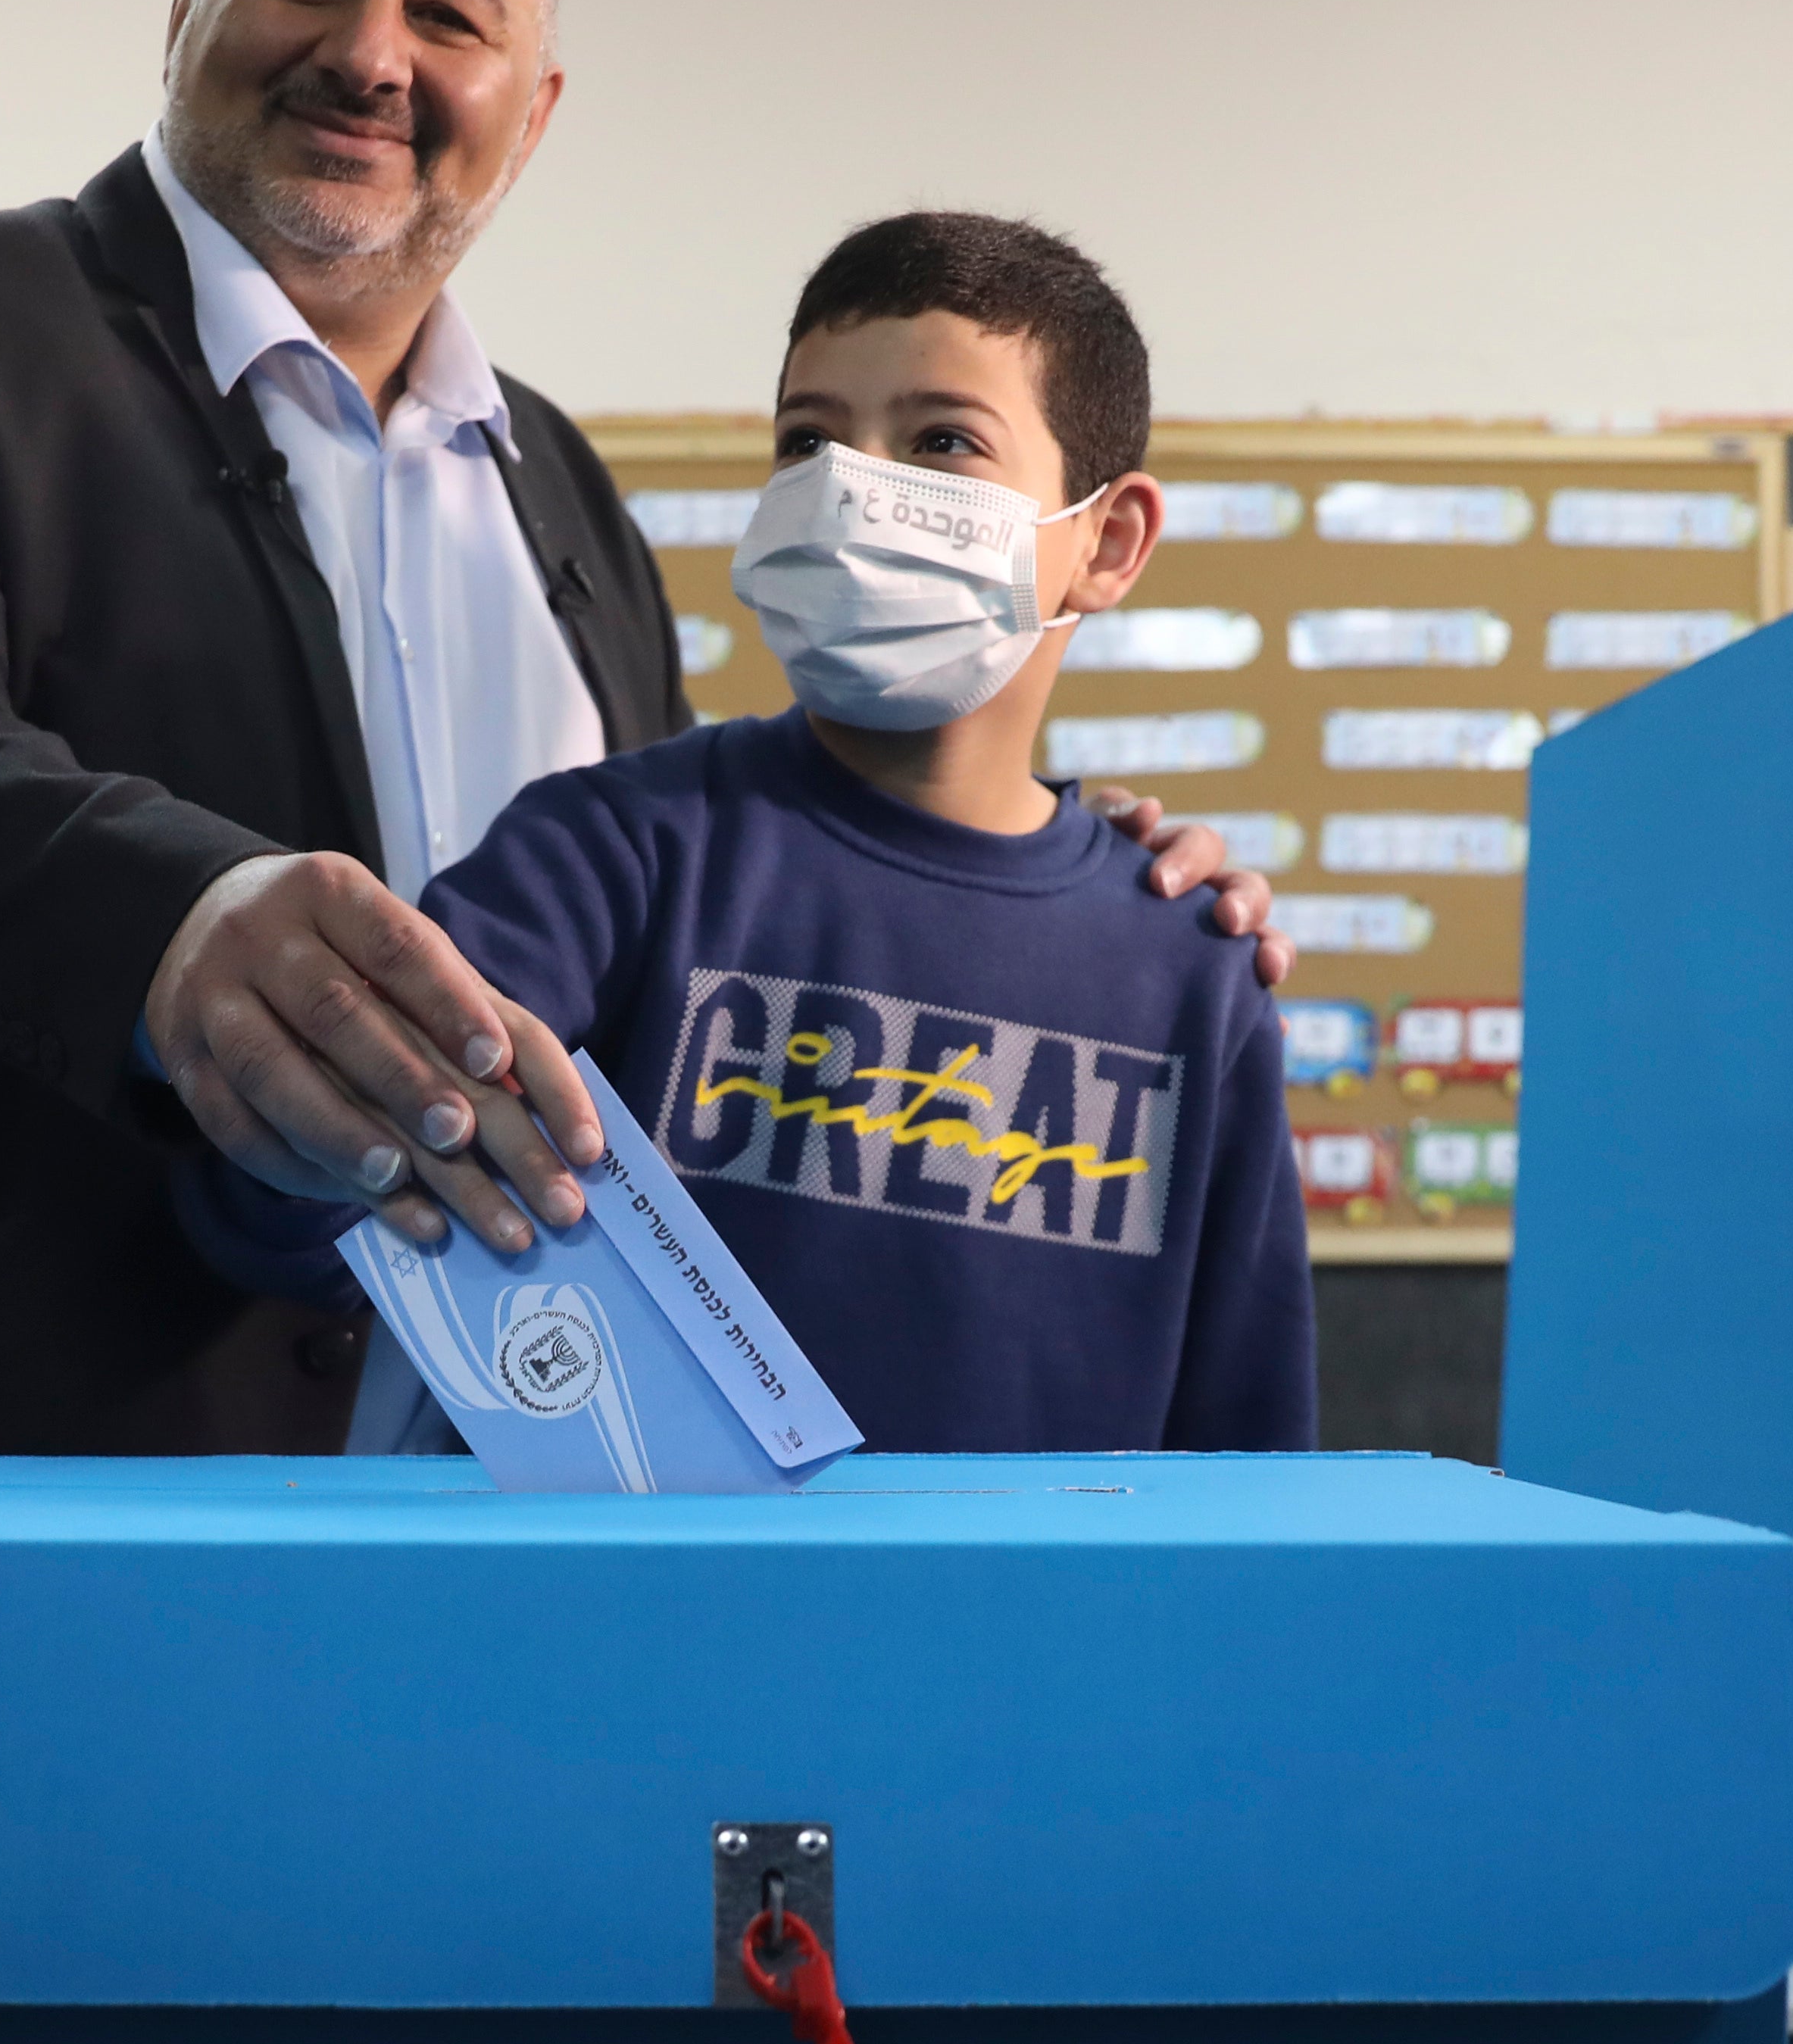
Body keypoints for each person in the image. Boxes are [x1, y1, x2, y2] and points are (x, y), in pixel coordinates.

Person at [0, 0, 1278, 1618]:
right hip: (40, 1504)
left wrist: (1081, 871)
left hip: (517, 1554)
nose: (373, 53)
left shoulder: (564, 489)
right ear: (188, 8)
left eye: (452, 11)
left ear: (536, 105)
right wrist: (185, 923)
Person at [213, 214, 1317, 1455]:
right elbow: (284, 1198)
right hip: (645, 1625)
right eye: (810, 439)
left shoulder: (1189, 960)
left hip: (1038, 1636)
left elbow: (1251, 1436)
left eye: (943, 438)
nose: (854, 485)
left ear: (1106, 544)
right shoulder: (617, 852)